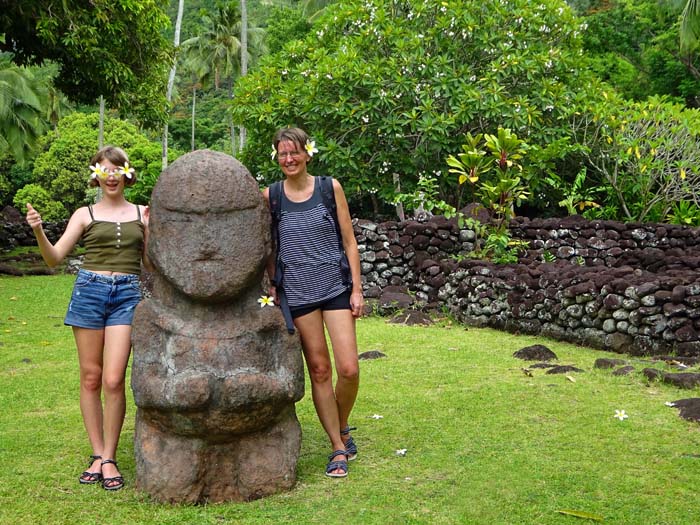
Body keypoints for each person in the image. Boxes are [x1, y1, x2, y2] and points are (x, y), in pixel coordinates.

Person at [25, 146, 150, 491]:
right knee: (91, 378)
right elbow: (54, 259)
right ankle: (98, 453)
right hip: (89, 292)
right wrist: (38, 230)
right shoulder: (85, 214)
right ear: (96, 174)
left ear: (127, 173)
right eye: (104, 169)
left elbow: (150, 267)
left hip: (127, 294)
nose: (111, 175)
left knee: (113, 379)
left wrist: (154, 230)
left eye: (117, 169)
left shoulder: (142, 213)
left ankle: (109, 456)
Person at [263, 127, 364, 478]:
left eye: (295, 152)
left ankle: (343, 421)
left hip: (335, 287)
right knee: (320, 370)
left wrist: (357, 290)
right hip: (298, 293)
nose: (289, 159)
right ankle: (337, 446)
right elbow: (265, 244)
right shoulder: (271, 196)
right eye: (282, 154)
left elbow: (349, 241)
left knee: (349, 368)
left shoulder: (328, 187)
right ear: (277, 157)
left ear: (308, 153)